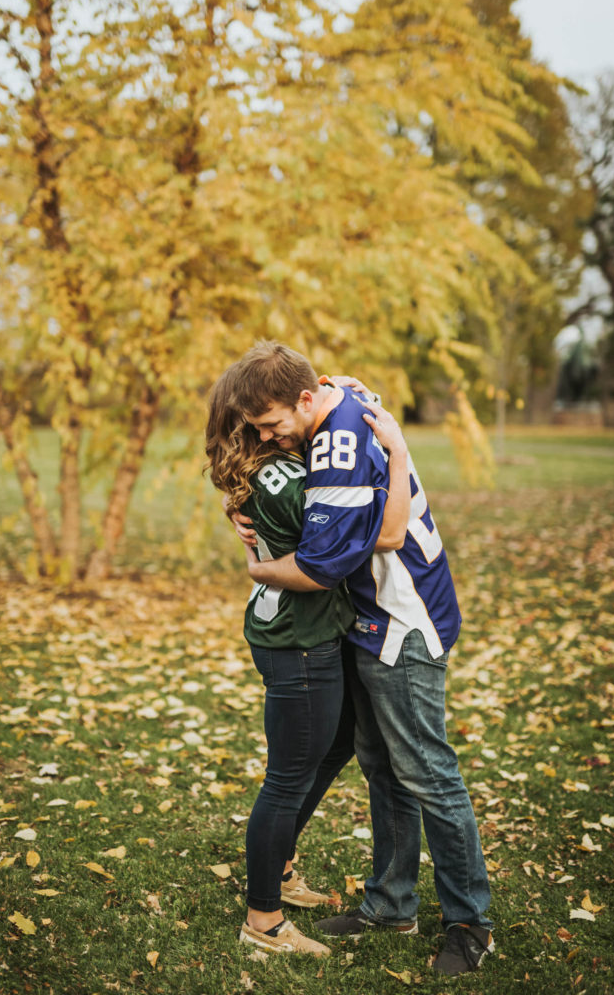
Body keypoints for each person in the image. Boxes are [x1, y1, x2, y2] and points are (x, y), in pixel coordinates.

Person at [229, 341, 494, 978]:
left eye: (271, 424)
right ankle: (391, 905)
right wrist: (250, 512)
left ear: (305, 399)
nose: (266, 437)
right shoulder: (336, 397)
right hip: (371, 618)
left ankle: (470, 924)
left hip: (403, 619)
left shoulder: (337, 443)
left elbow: (353, 549)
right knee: (383, 766)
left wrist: (259, 565)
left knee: (429, 772)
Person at [205, 363, 410, 958]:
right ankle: (264, 920)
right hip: (298, 640)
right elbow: (383, 535)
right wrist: (396, 457)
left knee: (335, 743)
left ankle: (281, 866)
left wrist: (345, 391)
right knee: (287, 777)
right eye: (260, 425)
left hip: (302, 630)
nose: (270, 432)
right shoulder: (291, 482)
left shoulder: (270, 471)